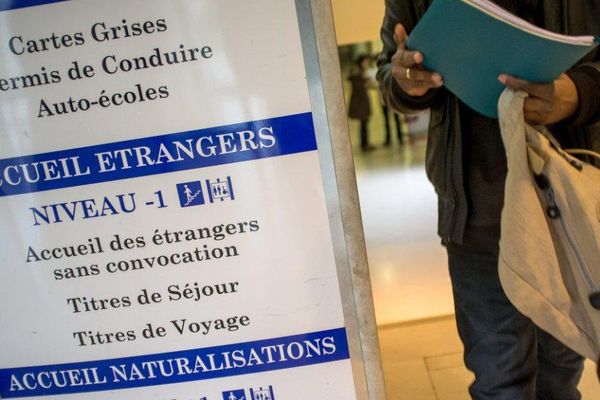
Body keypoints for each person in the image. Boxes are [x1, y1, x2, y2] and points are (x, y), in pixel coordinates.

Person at [377, 1, 600, 399]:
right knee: (500, 383)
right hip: (476, 211)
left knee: (561, 376)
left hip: (568, 207)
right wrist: (405, 79)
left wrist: (577, 94)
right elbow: (391, 73)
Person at [348, 54, 375, 151]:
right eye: (365, 62)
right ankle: (364, 144)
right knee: (363, 123)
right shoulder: (357, 74)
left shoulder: (361, 73)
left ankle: (365, 143)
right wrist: (365, 81)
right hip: (360, 102)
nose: (367, 64)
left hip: (362, 101)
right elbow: (358, 87)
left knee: (364, 123)